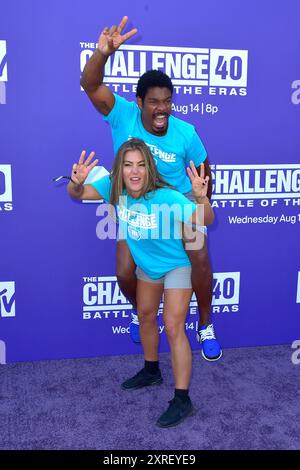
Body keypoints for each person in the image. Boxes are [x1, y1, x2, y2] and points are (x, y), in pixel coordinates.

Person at [80, 16, 222, 361]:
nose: (162, 110)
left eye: (168, 102)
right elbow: (90, 84)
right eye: (155, 102)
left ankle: (205, 325)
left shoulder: (185, 132)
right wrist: (101, 54)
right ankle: (139, 309)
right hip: (135, 207)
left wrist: (199, 207)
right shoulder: (122, 115)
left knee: (200, 258)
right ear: (140, 102)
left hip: (175, 206)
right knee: (124, 271)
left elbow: (205, 174)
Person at [67, 138, 214, 427]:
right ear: (119, 169)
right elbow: (78, 194)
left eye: (141, 165)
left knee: (173, 327)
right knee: (145, 315)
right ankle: (151, 370)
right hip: (148, 268)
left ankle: (183, 400)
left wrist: (200, 197)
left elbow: (206, 218)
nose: (134, 172)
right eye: (127, 165)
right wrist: (75, 183)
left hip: (176, 266)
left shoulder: (166, 197)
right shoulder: (114, 190)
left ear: (149, 169)